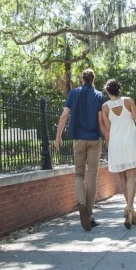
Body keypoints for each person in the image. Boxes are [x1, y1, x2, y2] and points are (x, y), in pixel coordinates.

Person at [54, 68, 105, 231]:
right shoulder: (98, 96)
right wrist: (108, 138)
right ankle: (88, 214)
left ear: (82, 79)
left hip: (78, 140)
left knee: (78, 174)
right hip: (94, 140)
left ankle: (81, 203)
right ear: (93, 79)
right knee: (92, 175)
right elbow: (100, 120)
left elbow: (64, 116)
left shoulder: (73, 93)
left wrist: (58, 135)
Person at [101, 78, 136, 229]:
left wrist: (108, 145)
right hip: (130, 139)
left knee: (122, 177)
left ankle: (130, 208)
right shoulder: (128, 101)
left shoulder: (105, 107)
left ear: (107, 91)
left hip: (116, 142)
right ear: (119, 89)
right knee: (132, 175)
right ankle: (130, 208)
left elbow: (107, 129)